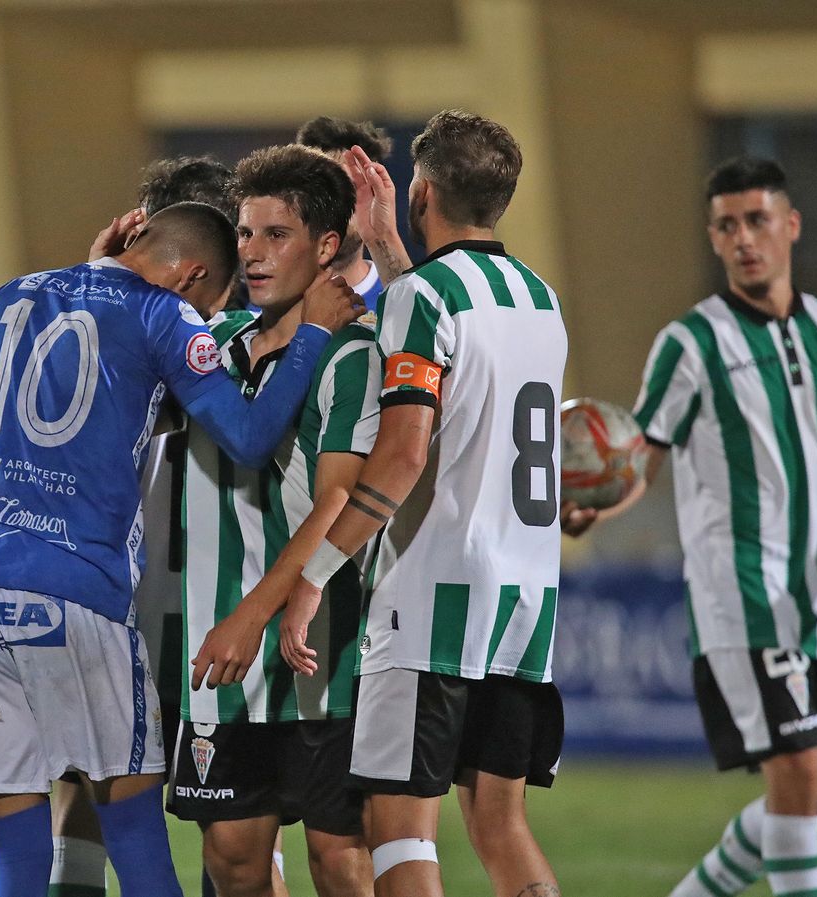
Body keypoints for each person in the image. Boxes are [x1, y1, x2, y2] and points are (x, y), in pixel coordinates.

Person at [0, 201, 364, 897]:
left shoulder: (9, 295)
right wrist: (309, 338)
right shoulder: (164, 314)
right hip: (77, 590)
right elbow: (246, 436)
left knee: (14, 848)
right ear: (191, 277)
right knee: (131, 827)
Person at [197, 109, 569, 897]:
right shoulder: (540, 299)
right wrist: (397, 252)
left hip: (432, 596)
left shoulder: (420, 298)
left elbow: (401, 456)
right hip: (528, 593)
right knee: (501, 827)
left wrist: (313, 576)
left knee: (400, 835)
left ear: (422, 189)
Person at [565, 156, 817, 897]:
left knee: (811, 804)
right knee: (794, 787)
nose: (743, 238)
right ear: (714, 237)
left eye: (757, 220)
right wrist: (595, 504)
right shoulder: (690, 343)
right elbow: (642, 460)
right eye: (727, 225)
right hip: (744, 598)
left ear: (790, 226)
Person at [168, 144, 383, 897]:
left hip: (325, 652)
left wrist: (250, 615)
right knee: (231, 861)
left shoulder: (355, 353)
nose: (252, 255)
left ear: (326, 246)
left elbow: (337, 503)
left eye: (275, 235)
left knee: (338, 860)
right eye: (246, 233)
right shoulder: (209, 346)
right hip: (220, 659)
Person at [56, 153, 243, 897]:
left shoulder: (85, 322)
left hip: (113, 596)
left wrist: (88, 281)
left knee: (86, 792)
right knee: (233, 830)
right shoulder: (245, 338)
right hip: (214, 607)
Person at [295, 116, 412, 311]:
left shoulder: (398, 293)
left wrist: (381, 236)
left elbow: (419, 325)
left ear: (375, 195)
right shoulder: (264, 302)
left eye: (351, 187)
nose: (337, 203)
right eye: (323, 189)